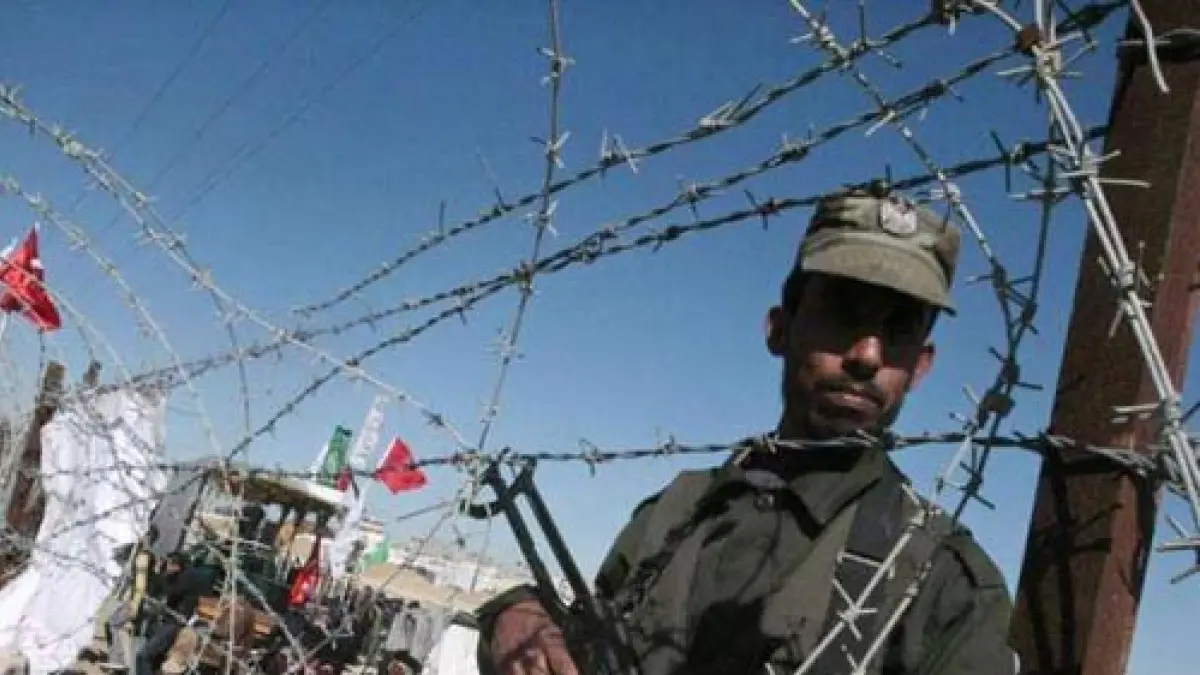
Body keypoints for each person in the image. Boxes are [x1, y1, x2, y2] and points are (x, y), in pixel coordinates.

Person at [474, 189, 1017, 675]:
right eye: (843, 315)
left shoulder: (945, 582)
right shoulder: (677, 510)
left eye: (898, 331)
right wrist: (516, 616)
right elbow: (582, 639)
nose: (867, 355)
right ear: (780, 330)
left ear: (919, 367)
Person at [135, 552, 208, 675]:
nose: (167, 567)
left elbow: (170, 591)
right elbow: (156, 590)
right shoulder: (180, 576)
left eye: (169, 564)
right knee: (154, 659)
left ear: (177, 566)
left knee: (143, 656)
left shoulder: (186, 578)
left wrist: (160, 574)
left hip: (175, 622)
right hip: (169, 620)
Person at [102, 525, 160, 671]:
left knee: (114, 622)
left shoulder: (143, 557)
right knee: (119, 626)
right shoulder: (144, 555)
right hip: (138, 599)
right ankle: (122, 660)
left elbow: (141, 583)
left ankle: (120, 660)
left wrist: (134, 604)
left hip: (137, 600)